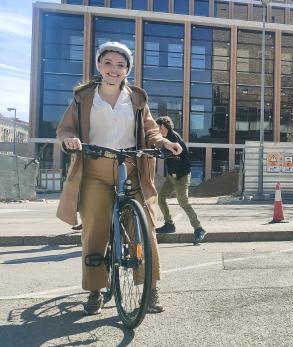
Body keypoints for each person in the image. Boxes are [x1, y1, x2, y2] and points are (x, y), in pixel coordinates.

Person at [56, 41, 182, 315]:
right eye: (108, 63)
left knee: (144, 229)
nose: (114, 69)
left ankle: (149, 289)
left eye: (121, 65)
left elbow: (151, 131)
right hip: (95, 170)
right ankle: (94, 290)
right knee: (95, 229)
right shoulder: (83, 97)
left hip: (131, 168)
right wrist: (70, 141)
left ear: (127, 69)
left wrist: (163, 143)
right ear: (99, 65)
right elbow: (64, 130)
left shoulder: (136, 99)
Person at [154, 116, 207, 245]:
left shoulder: (174, 138)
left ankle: (199, 228)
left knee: (183, 202)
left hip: (181, 175)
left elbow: (179, 157)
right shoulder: (165, 140)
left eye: (157, 127)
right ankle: (169, 224)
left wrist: (176, 172)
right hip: (172, 176)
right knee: (161, 197)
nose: (156, 130)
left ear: (162, 127)